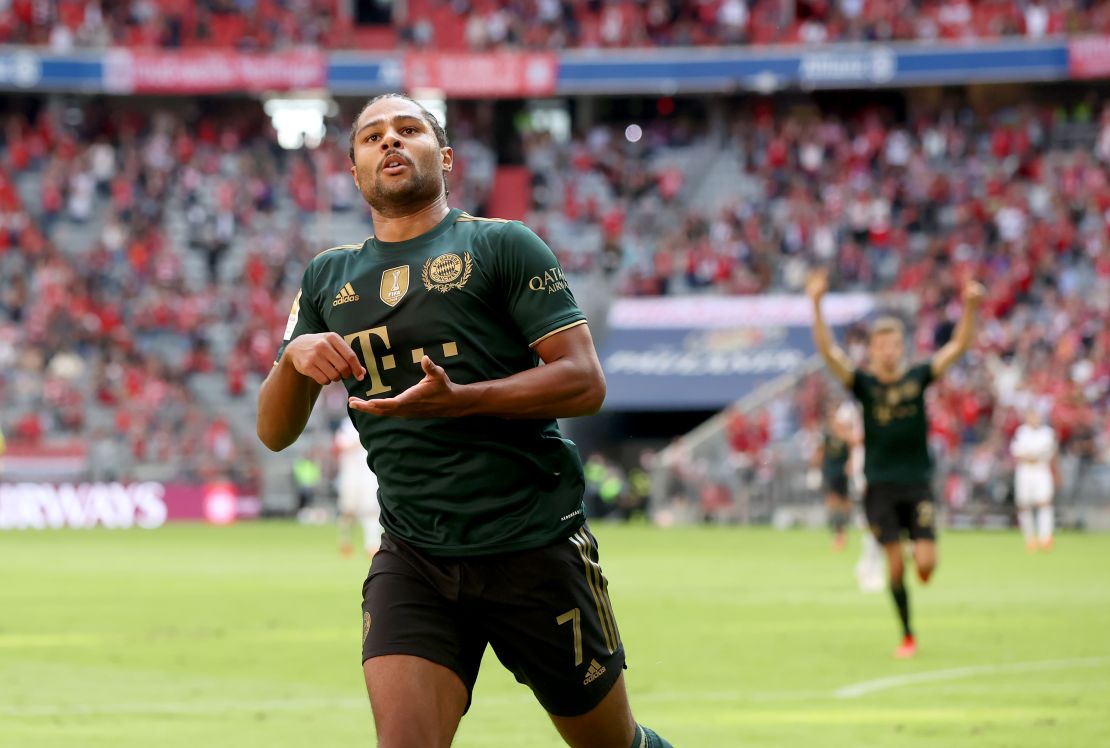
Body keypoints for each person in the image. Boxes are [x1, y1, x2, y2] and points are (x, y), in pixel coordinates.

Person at [256, 93, 674, 748]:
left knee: (611, 744)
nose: (390, 142)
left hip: (531, 544)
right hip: (414, 555)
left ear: (444, 157)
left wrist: (464, 399)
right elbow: (275, 432)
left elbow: (585, 381)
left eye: (409, 130)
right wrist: (292, 361)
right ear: (354, 170)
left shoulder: (503, 245)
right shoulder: (326, 279)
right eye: (372, 137)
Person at [807, 268, 983, 658]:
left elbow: (958, 347)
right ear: (871, 350)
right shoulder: (865, 385)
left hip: (916, 481)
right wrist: (817, 304)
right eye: (880, 344)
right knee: (896, 567)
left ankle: (913, 546)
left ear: (901, 347)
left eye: (893, 343)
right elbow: (828, 352)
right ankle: (907, 635)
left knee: (925, 567)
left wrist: (970, 306)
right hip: (880, 485)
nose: (887, 350)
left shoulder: (917, 378)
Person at [1010, 409, 1057, 552]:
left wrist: (1032, 454)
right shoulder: (1021, 432)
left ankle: (1045, 537)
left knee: (1044, 503)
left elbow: (1048, 450)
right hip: (1024, 470)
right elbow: (1017, 451)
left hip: (1041, 469)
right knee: (1024, 504)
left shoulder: (1047, 432)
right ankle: (1029, 537)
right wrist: (1030, 455)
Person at [335, 417, 382, 557]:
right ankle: (345, 542)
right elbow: (342, 446)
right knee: (348, 510)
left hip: (368, 472)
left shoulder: (374, 420)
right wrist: (363, 438)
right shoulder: (346, 424)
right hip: (350, 472)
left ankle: (372, 545)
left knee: (371, 509)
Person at [816, 403, 856, 551]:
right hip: (830, 471)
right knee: (833, 500)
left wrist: (851, 462)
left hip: (841, 471)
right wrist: (817, 469)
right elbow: (820, 452)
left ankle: (843, 529)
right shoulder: (825, 434)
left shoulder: (844, 433)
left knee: (843, 500)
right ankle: (838, 531)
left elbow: (852, 445)